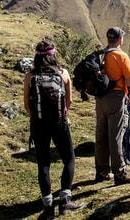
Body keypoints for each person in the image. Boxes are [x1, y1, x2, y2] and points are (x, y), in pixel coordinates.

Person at [23, 40, 84, 219]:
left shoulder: (30, 76)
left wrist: (35, 116)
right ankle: (65, 201)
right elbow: (69, 101)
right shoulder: (63, 73)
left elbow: (27, 103)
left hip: (38, 123)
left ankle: (48, 207)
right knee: (69, 158)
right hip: (59, 122)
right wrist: (62, 115)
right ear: (53, 55)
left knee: (43, 163)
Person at [94, 27, 130, 185]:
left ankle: (101, 171)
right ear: (120, 40)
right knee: (116, 135)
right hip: (116, 97)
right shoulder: (121, 56)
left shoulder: (101, 54)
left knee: (101, 135)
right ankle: (120, 173)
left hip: (100, 99)